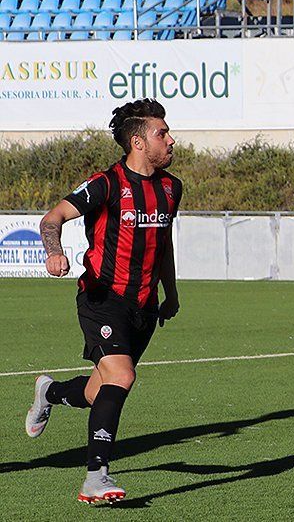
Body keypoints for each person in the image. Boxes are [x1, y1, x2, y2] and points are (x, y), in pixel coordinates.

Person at [26, 98, 182, 504]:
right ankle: (96, 477)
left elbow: (162, 246)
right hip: (102, 297)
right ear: (137, 141)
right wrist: (53, 250)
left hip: (144, 306)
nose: (171, 141)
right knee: (123, 376)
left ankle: (51, 392)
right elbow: (51, 219)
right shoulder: (107, 183)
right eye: (161, 133)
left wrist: (171, 293)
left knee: (100, 389)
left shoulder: (171, 187)